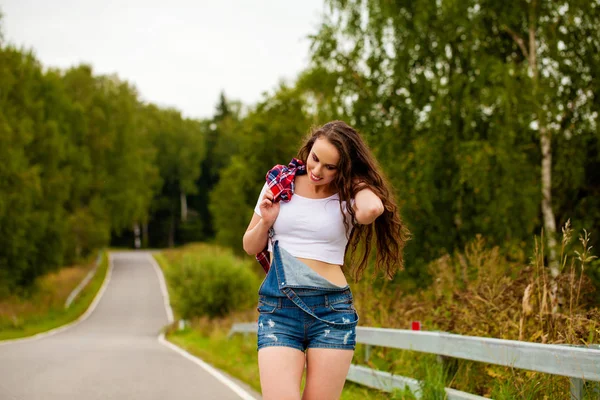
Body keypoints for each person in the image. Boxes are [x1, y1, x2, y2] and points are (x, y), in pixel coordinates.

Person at [243, 120, 408, 400]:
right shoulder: (280, 184)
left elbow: (372, 209)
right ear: (309, 149)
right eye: (315, 159)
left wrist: (354, 180)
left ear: (343, 168)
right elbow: (250, 245)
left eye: (330, 167)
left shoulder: (350, 196)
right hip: (279, 310)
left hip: (331, 312)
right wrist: (266, 222)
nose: (317, 170)